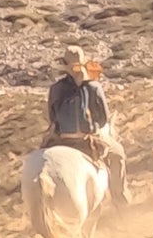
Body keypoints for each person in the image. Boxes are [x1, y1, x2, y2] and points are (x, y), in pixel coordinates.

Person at [45, 45, 129, 203]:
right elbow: (104, 117)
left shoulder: (55, 89)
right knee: (118, 155)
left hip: (62, 140)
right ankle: (121, 199)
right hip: (87, 140)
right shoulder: (94, 87)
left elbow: (52, 117)